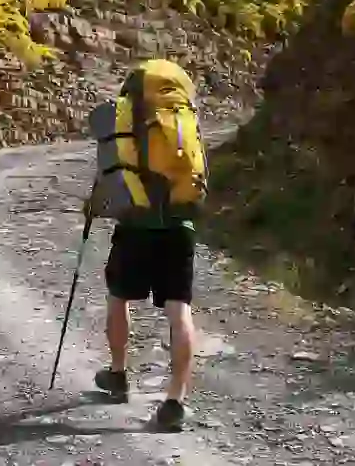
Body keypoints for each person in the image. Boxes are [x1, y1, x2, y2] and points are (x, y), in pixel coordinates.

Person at [83, 59, 205, 433]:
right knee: (178, 309)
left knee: (119, 296)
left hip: (136, 223)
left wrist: (92, 206)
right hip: (180, 222)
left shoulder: (128, 116)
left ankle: (118, 375)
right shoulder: (184, 116)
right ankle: (174, 402)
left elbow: (112, 168)